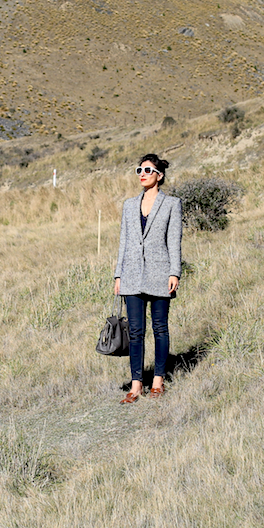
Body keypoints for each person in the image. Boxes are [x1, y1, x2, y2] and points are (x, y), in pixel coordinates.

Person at [113, 153, 183, 403]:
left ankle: (158, 381)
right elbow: (124, 242)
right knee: (135, 331)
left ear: (159, 175)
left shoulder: (172, 204)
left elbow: (174, 241)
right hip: (131, 274)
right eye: (139, 170)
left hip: (160, 273)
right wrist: (118, 274)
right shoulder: (129, 205)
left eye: (148, 170)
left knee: (160, 328)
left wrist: (175, 271)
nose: (142, 174)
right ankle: (136, 385)